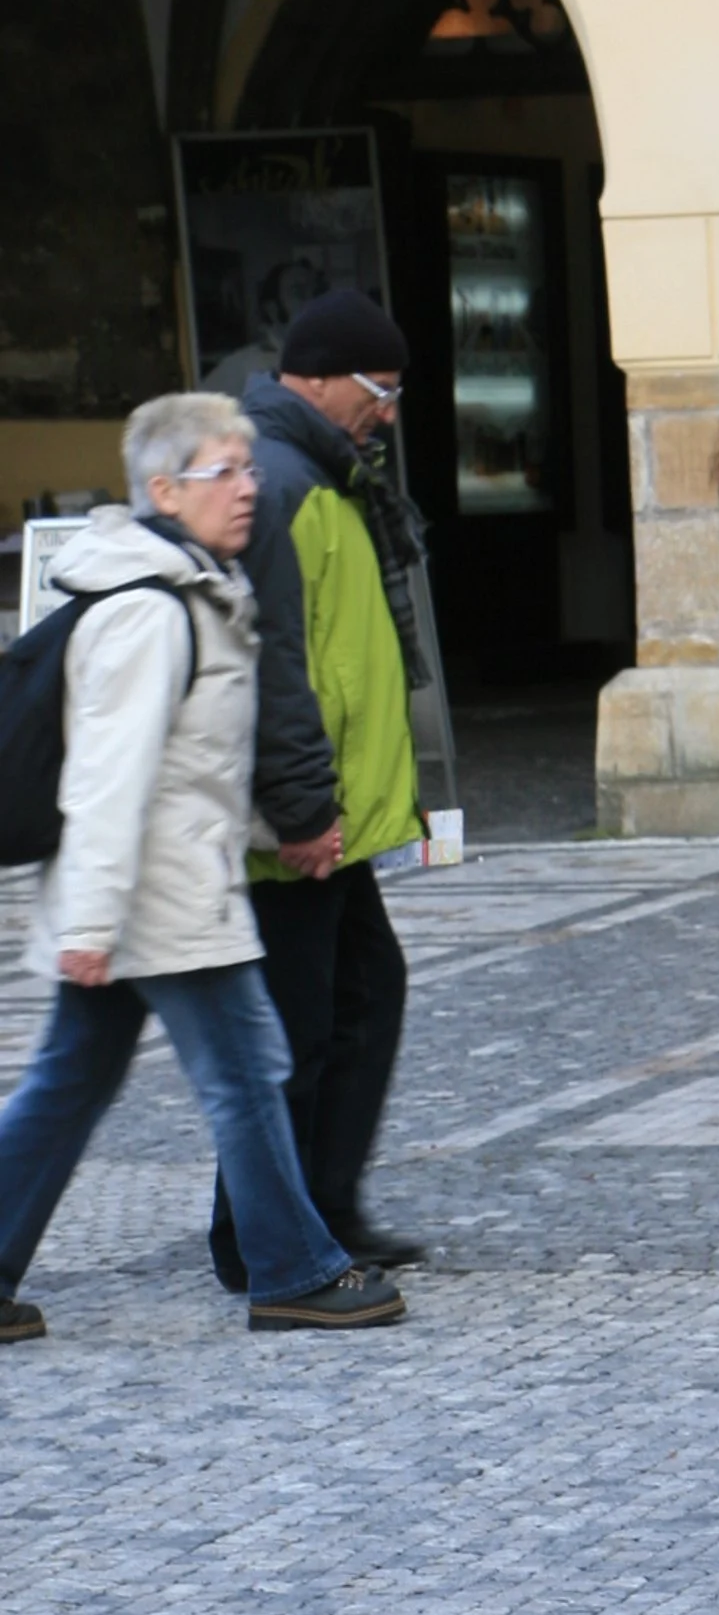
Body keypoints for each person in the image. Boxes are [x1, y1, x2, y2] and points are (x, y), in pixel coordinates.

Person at [0, 398, 404, 1342]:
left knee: (69, 1084)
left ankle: (289, 1266)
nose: (249, 486)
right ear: (165, 489)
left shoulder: (195, 591)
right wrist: (92, 925)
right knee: (249, 1076)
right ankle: (294, 1270)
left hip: (163, 889)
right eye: (226, 471)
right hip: (159, 900)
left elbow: (199, 759)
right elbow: (108, 781)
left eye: (249, 468)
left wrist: (279, 820)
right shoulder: (149, 612)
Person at [212, 289, 430, 1288]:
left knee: (355, 997)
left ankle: (321, 1207)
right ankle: (263, 1235)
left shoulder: (326, 472)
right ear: (318, 377)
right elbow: (275, 667)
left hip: (331, 812)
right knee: (294, 1028)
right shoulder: (283, 482)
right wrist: (303, 810)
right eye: (378, 390)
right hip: (300, 822)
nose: (386, 411)